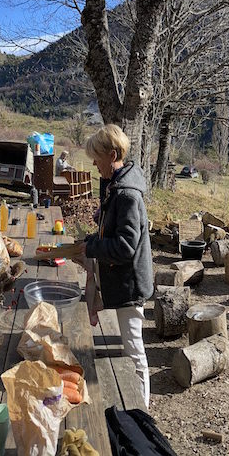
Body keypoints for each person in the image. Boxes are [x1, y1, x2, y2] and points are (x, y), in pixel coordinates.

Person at [75, 124, 154, 409]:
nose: (94, 163)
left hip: (130, 283)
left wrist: (92, 248)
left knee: (134, 352)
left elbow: (125, 247)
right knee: (129, 347)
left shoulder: (127, 195)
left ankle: (142, 414)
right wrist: (92, 239)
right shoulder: (115, 186)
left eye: (96, 157)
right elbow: (113, 232)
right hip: (121, 280)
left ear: (111, 155)